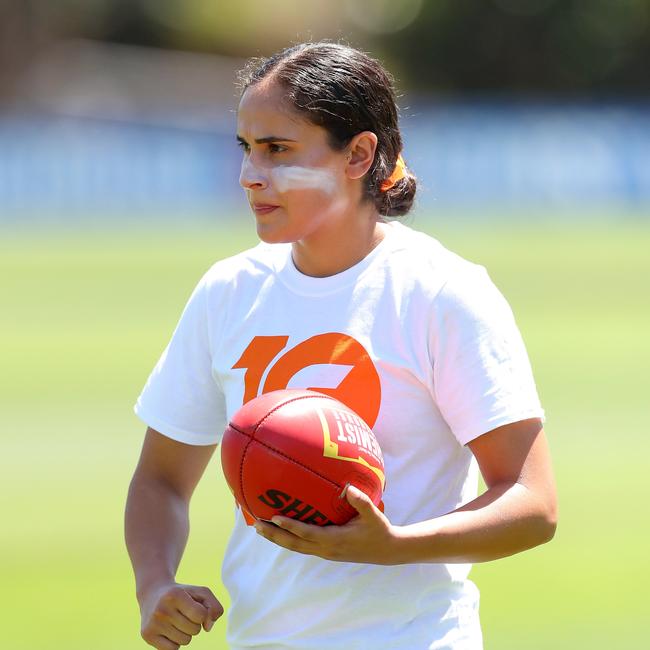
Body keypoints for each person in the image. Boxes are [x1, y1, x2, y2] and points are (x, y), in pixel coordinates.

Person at [125, 41, 557, 650]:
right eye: (246, 148)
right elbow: (161, 481)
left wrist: (395, 547)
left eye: (278, 149)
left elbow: (533, 503)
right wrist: (154, 585)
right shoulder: (229, 290)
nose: (250, 174)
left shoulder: (440, 293)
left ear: (358, 155)